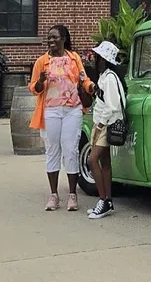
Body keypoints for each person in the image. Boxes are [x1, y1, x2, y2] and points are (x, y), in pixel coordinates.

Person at [30, 24, 92, 211]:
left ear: (64, 39)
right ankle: (54, 195)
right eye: (49, 38)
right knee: (52, 149)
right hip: (51, 110)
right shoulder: (42, 61)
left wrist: (90, 87)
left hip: (72, 110)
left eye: (55, 38)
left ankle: (72, 195)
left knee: (71, 149)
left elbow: (84, 79)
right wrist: (41, 80)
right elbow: (34, 88)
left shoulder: (74, 59)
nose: (51, 41)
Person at [87, 40, 125, 220]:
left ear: (104, 59)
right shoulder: (105, 76)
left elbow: (112, 105)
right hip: (104, 123)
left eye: (98, 56)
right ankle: (107, 201)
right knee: (105, 162)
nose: (95, 59)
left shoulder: (109, 78)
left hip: (105, 124)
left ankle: (103, 200)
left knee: (92, 160)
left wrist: (100, 125)